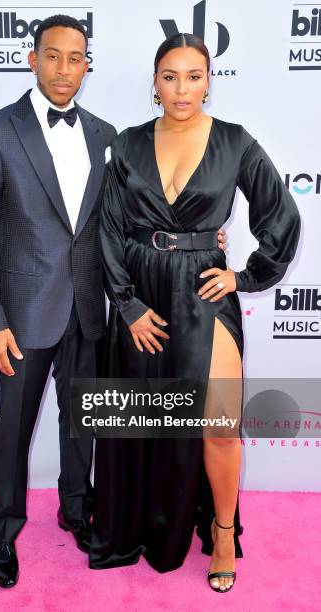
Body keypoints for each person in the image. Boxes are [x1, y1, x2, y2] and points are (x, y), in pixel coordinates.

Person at [89, 33, 301, 593]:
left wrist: (247, 275)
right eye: (170, 76)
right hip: (141, 294)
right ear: (154, 84)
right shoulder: (128, 145)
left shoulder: (235, 142)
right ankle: (144, 524)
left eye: (194, 76)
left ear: (210, 81)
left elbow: (281, 216)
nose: (182, 88)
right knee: (145, 423)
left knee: (220, 428)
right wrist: (127, 304)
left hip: (207, 294)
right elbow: (108, 231)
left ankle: (224, 531)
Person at [0, 14, 118, 588]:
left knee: (83, 424)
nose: (64, 69)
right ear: (32, 58)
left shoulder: (105, 135)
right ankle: (3, 531)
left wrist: (201, 238)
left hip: (88, 308)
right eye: (52, 56)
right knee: (12, 431)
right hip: (23, 314)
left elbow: (116, 223)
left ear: (86, 65)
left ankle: (77, 509)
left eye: (75, 58)